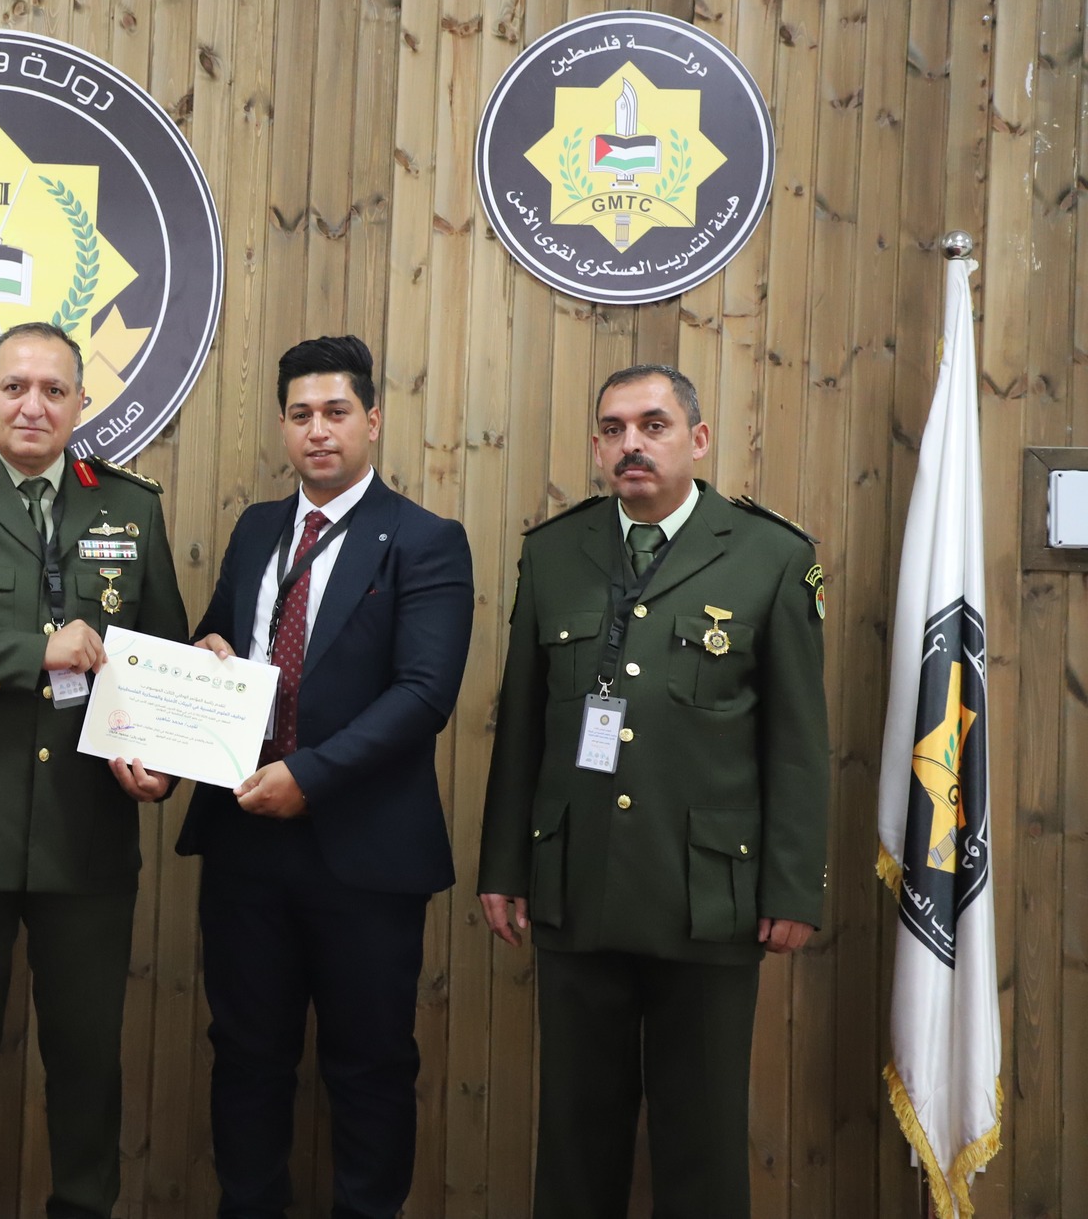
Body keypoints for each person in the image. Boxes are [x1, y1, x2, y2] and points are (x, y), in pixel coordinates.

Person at [477, 364, 829, 1219]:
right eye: (613, 429)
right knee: (575, 1138)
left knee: (703, 1143)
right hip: (578, 882)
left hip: (707, 895)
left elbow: (796, 743)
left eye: (653, 425)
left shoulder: (771, 556)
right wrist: (504, 866)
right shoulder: (554, 551)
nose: (630, 443)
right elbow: (521, 724)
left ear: (697, 439)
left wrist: (790, 886)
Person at [0, 321, 188, 1219]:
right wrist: (34, 650)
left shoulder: (131, 506)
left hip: (86, 827)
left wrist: (161, 765)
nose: (33, 405)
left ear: (81, 403)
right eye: (15, 387)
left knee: (88, 1062)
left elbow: (160, 652)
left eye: (54, 390)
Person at [177, 334, 474, 1219]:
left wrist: (309, 775)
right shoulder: (255, 529)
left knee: (371, 1067)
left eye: (336, 411)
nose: (318, 429)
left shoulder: (425, 540)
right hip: (244, 840)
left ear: (371, 420)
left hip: (364, 850)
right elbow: (217, 637)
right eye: (301, 413)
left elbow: (424, 693)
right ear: (282, 425)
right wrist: (204, 648)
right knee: (245, 1058)